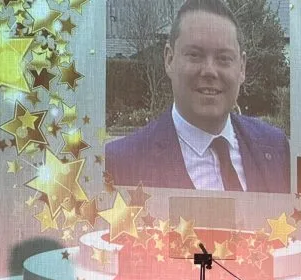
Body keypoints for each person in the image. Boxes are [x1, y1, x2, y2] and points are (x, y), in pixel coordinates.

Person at [105, 0, 290, 193]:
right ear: (169, 59)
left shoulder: (276, 148)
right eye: (195, 55)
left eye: (224, 58)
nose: (209, 71)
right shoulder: (119, 165)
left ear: (242, 67)